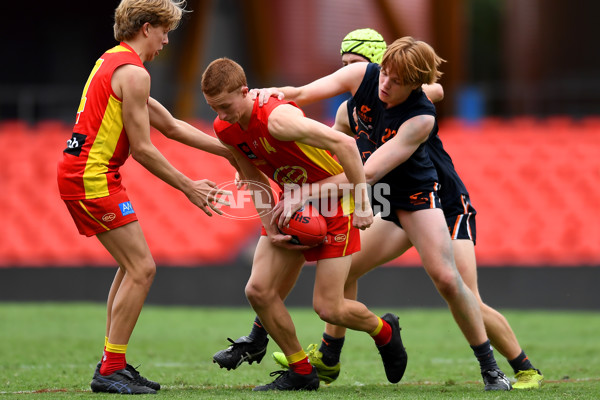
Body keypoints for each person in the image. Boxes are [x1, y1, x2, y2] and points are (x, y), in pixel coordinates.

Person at [270, 29, 543, 390]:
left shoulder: (421, 118)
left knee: (452, 284)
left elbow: (366, 172)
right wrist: (275, 96)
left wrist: (305, 194)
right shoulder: (363, 79)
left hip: (437, 202)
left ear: (414, 85)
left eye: (396, 82)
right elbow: (303, 95)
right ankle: (330, 357)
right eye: (384, 73)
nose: (384, 84)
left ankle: (515, 369)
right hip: (391, 204)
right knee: (346, 266)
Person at [57, 0, 232, 394]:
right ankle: (110, 369)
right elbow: (143, 148)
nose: (167, 41)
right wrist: (190, 186)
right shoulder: (134, 73)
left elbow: (169, 125)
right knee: (142, 268)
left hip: (90, 173)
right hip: (92, 176)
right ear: (147, 27)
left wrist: (231, 151)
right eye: (165, 31)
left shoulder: (112, 60)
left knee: (131, 267)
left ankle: (111, 362)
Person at [202, 57, 408, 391]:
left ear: (244, 91)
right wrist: (270, 227)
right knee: (258, 290)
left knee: (329, 308)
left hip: (335, 204)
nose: (222, 115)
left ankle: (384, 331)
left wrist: (364, 203)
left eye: (226, 106)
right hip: (295, 207)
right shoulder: (224, 127)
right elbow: (253, 176)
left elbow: (346, 144)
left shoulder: (278, 119)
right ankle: (301, 371)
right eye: (214, 108)